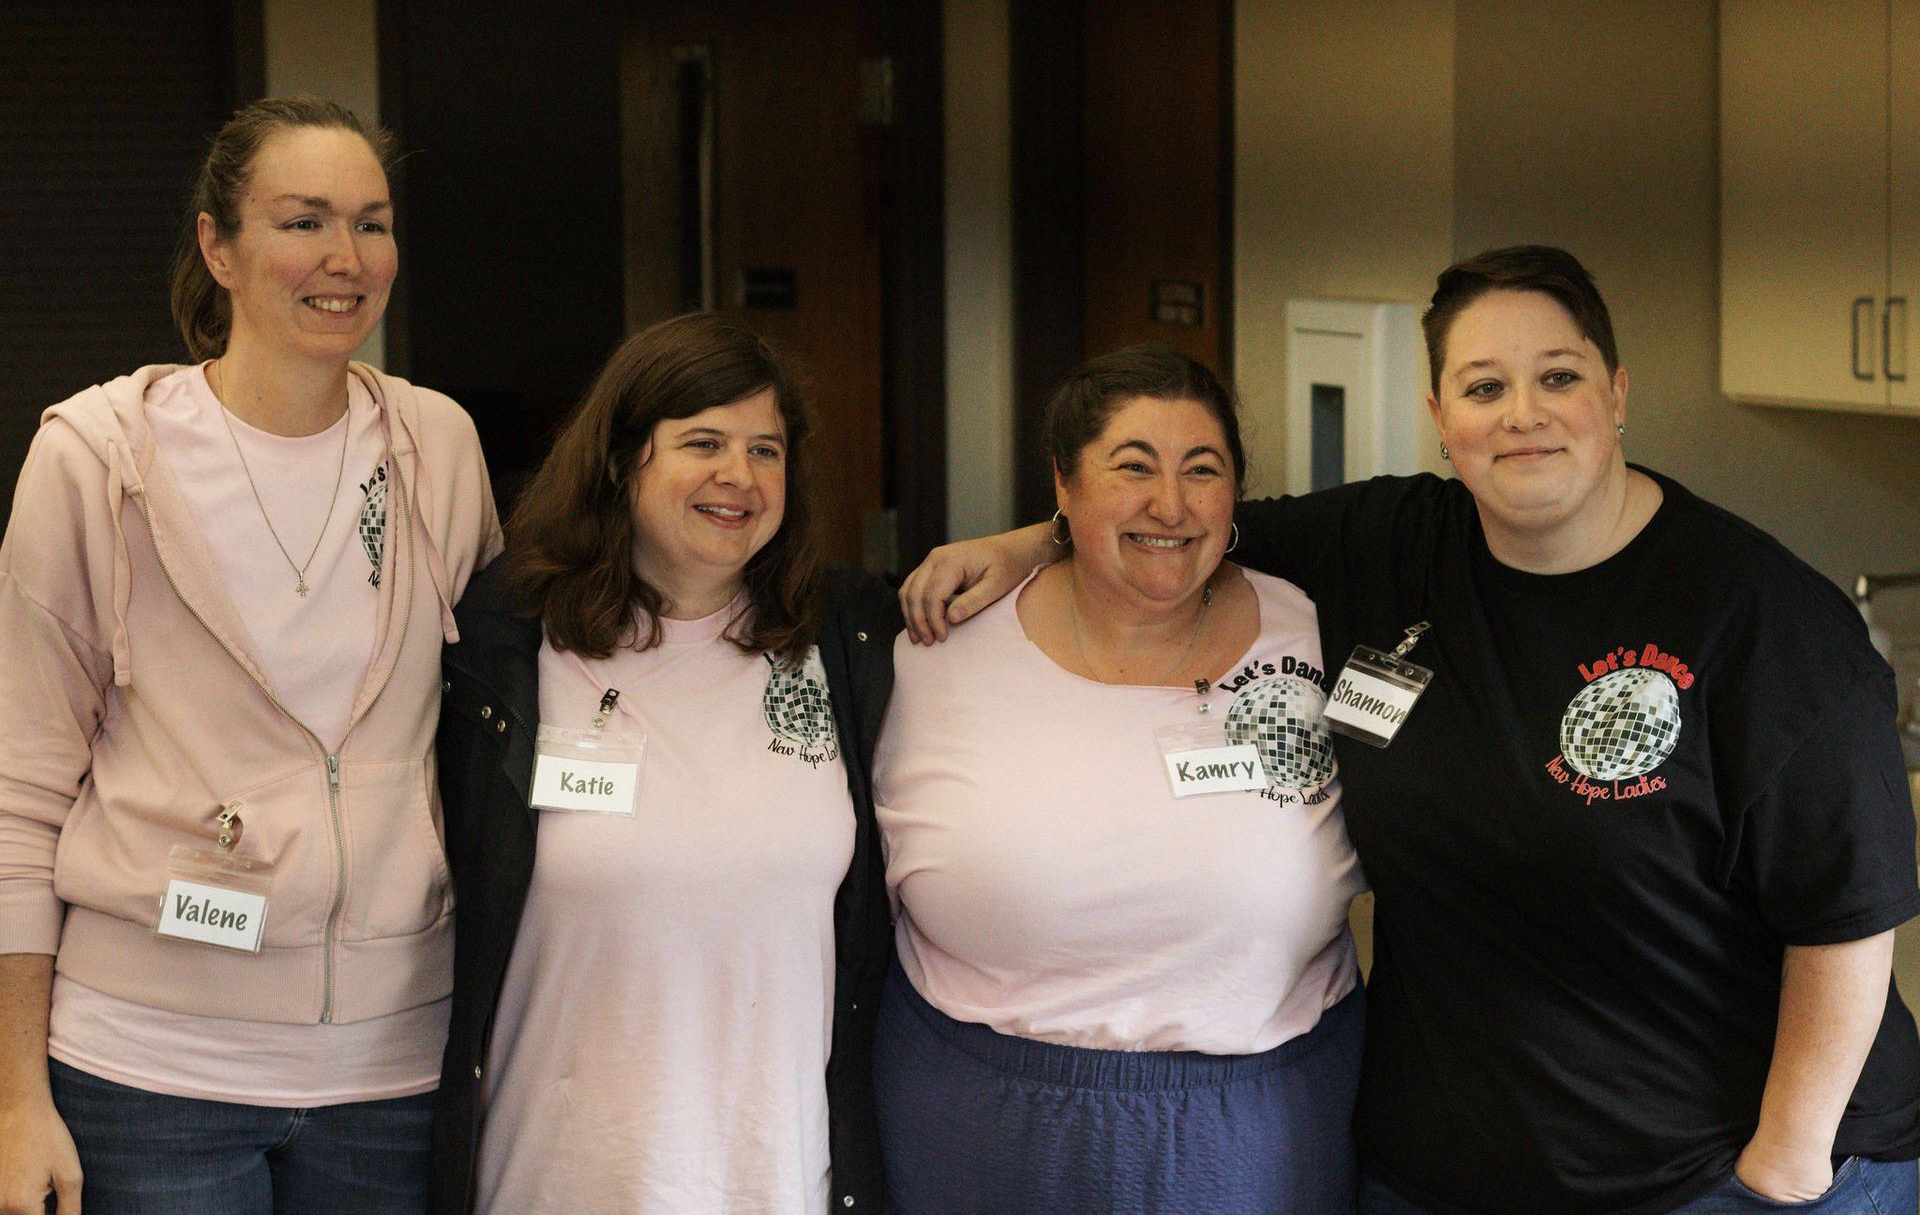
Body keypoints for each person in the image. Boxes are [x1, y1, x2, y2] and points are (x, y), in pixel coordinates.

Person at [899, 247, 1920, 1215]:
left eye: (1557, 378)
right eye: (1484, 388)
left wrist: (1781, 1171)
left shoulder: (1761, 617)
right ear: (1440, 416)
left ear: (1616, 394)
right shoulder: (1390, 548)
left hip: (1707, 1174)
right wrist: (1022, 540)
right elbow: (1180, 525)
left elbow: (1845, 917)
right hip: (1440, 1173)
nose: (1523, 415)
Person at [0, 95, 500, 1215]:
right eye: (304, 221)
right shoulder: (95, 459)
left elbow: (488, 729)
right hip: (147, 1071)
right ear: (217, 247)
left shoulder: (439, 449)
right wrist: (14, 1102)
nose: (346, 258)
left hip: (392, 1072)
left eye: (372, 223)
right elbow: (18, 792)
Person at [873, 345, 1366, 1214]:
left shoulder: (1326, 628)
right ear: (1063, 484)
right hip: (977, 1131)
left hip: (1260, 1138)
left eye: (1201, 469)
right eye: (1131, 468)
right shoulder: (935, 646)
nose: (1169, 504)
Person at [428, 314, 897, 1215]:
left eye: (766, 449)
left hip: (774, 1183)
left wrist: (1035, 539)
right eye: (703, 442)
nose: (740, 476)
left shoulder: (845, 634)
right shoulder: (500, 640)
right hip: (554, 1179)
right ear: (619, 458)